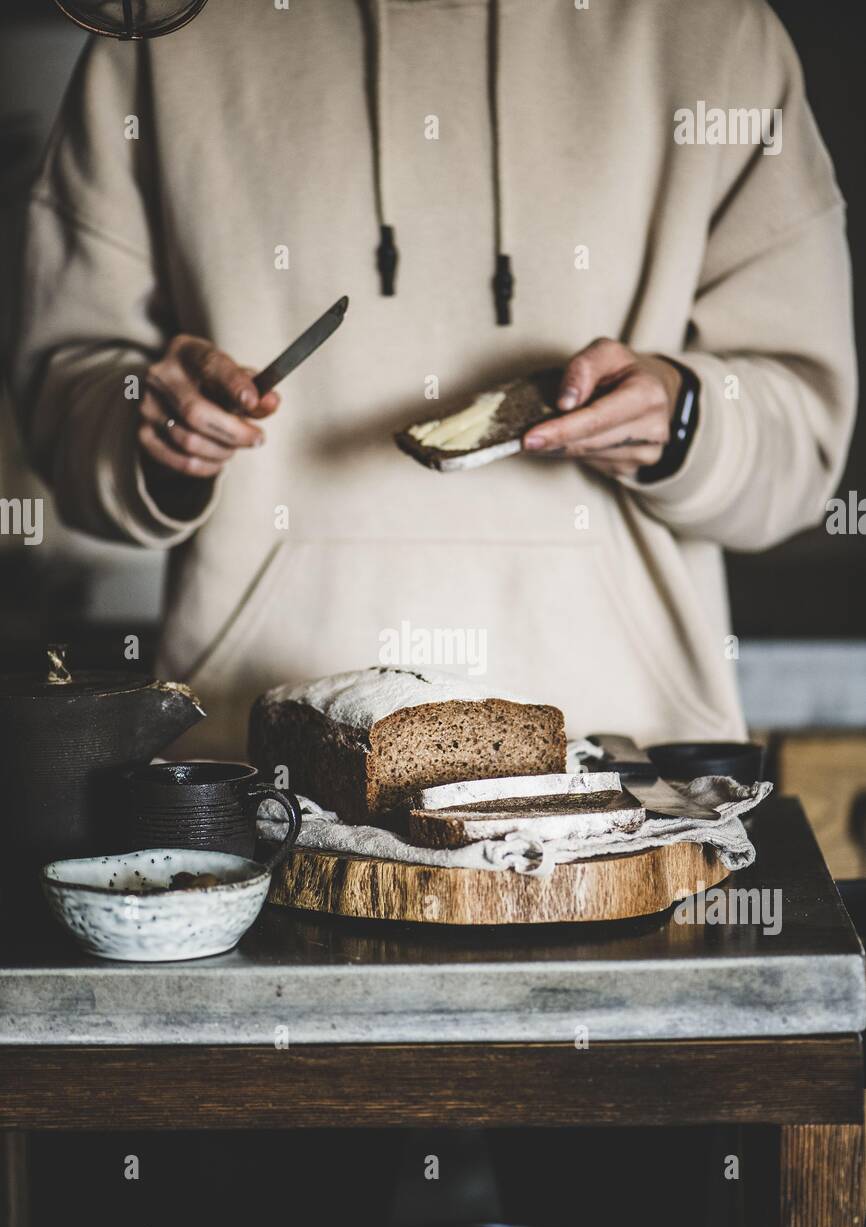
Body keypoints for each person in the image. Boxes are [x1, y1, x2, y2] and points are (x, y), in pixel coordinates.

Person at [12, 0, 856, 758]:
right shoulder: (164, 29)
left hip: (628, 770)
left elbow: (803, 452)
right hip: (256, 767)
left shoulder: (718, 29)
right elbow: (62, 400)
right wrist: (151, 432)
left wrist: (685, 421)